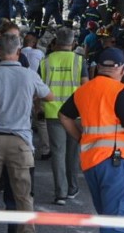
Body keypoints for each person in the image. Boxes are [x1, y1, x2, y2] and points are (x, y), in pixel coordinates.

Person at [58, 48, 124, 232]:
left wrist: (82, 138)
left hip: (92, 163)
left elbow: (63, 116)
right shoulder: (120, 92)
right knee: (118, 223)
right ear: (122, 70)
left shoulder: (84, 91)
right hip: (116, 162)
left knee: (108, 218)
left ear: (98, 68)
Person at [0, 33, 53, 233]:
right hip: (21, 142)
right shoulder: (30, 75)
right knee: (23, 196)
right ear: (18, 52)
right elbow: (50, 96)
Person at [39, 27, 89, 205]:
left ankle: (60, 192)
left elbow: (40, 89)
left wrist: (39, 109)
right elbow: (85, 87)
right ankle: (72, 188)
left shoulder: (45, 61)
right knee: (72, 153)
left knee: (58, 153)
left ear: (55, 43)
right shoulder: (79, 61)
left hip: (53, 113)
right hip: (74, 114)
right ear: (73, 42)